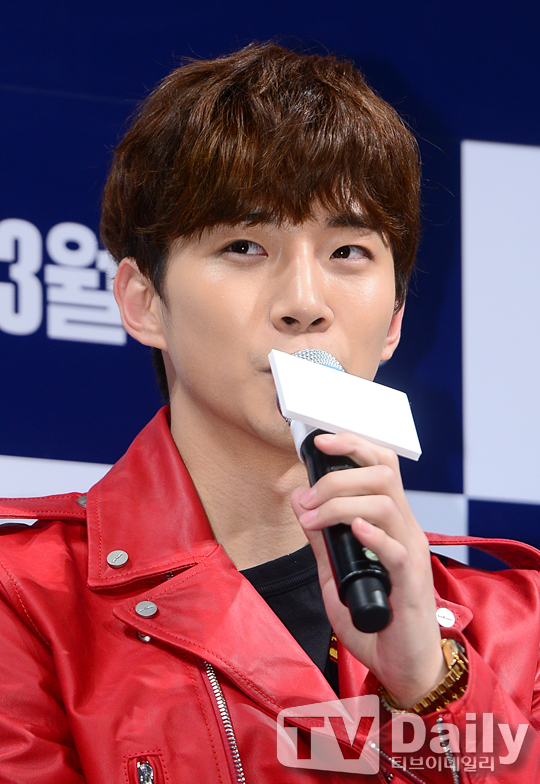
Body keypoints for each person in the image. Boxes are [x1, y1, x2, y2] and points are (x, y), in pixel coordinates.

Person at [0, 43, 539, 784]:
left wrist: (430, 686)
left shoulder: (517, 626)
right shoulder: (25, 598)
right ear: (143, 301)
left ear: (394, 320)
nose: (304, 304)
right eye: (245, 246)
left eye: (347, 252)